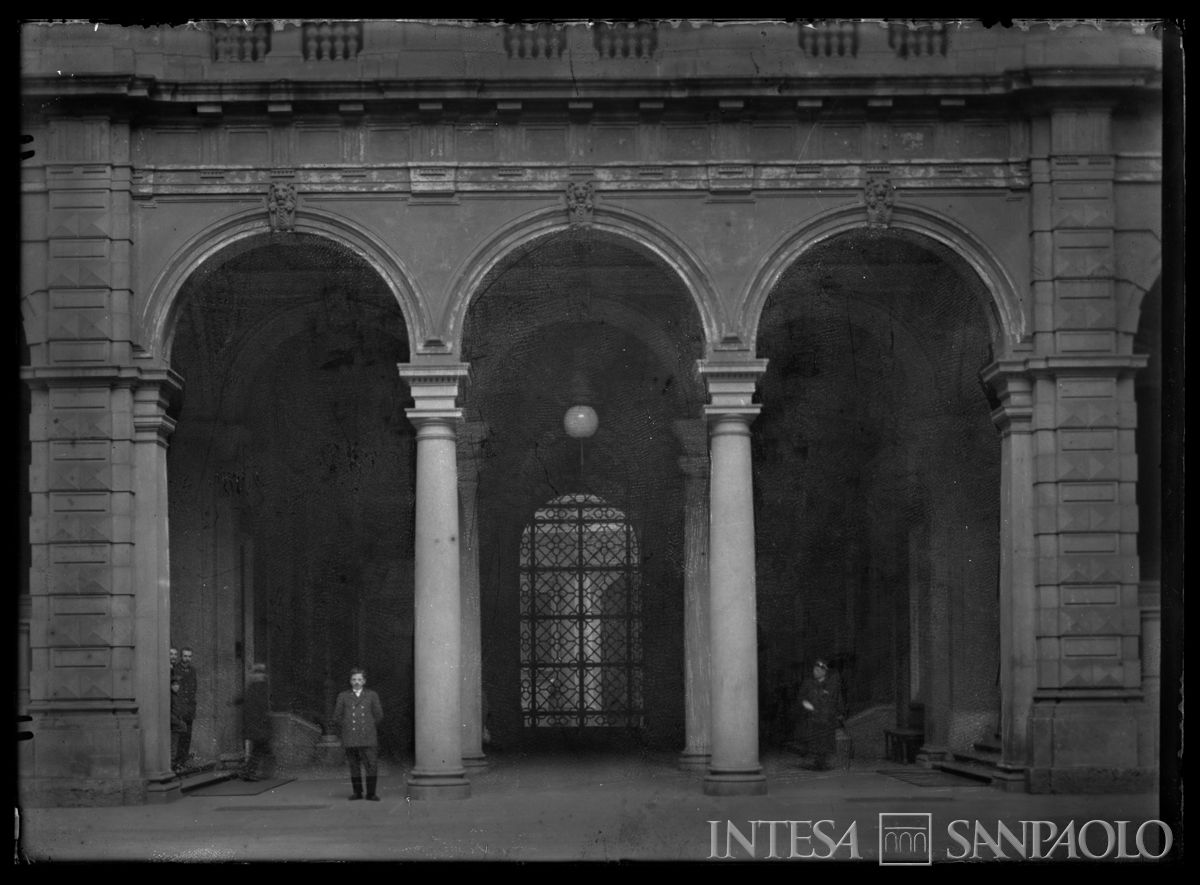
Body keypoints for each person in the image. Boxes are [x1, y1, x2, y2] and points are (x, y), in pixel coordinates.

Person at [331, 667, 384, 801]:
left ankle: (371, 793)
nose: (357, 682)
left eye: (359, 679)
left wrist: (368, 726)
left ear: (364, 681)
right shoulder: (343, 696)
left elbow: (378, 715)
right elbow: (337, 716)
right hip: (350, 736)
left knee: (371, 765)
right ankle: (357, 793)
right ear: (350, 681)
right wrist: (347, 726)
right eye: (354, 679)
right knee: (354, 766)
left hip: (368, 736)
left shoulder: (372, 695)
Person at [798, 657, 844, 771]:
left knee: (825, 741)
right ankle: (817, 761)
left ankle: (823, 761)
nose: (815, 672)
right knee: (815, 741)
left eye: (818, 670)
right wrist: (806, 705)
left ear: (824, 672)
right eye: (814, 669)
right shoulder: (808, 684)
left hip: (827, 718)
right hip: (813, 718)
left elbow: (837, 699)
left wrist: (839, 713)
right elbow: (801, 698)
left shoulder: (831, 684)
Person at [239, 663, 273, 781]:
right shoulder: (260, 687)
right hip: (259, 726)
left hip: (255, 725)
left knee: (259, 750)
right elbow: (262, 708)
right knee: (261, 750)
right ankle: (250, 772)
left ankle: (250, 772)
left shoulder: (252, 687)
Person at [173, 646, 198, 771]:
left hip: (189, 709)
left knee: (187, 737)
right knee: (178, 737)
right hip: (179, 709)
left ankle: (183, 761)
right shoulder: (176, 669)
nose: (187, 659)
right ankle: (176, 762)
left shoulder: (193, 671)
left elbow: (194, 689)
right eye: (185, 656)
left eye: (189, 656)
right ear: (181, 657)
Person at [169, 677, 187, 774]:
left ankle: (176, 765)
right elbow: (170, 713)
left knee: (177, 746)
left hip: (178, 724)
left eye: (177, 684)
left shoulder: (176, 696)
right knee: (173, 747)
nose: (176, 686)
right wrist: (178, 722)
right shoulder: (171, 696)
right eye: (174, 684)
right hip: (174, 725)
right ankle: (172, 766)